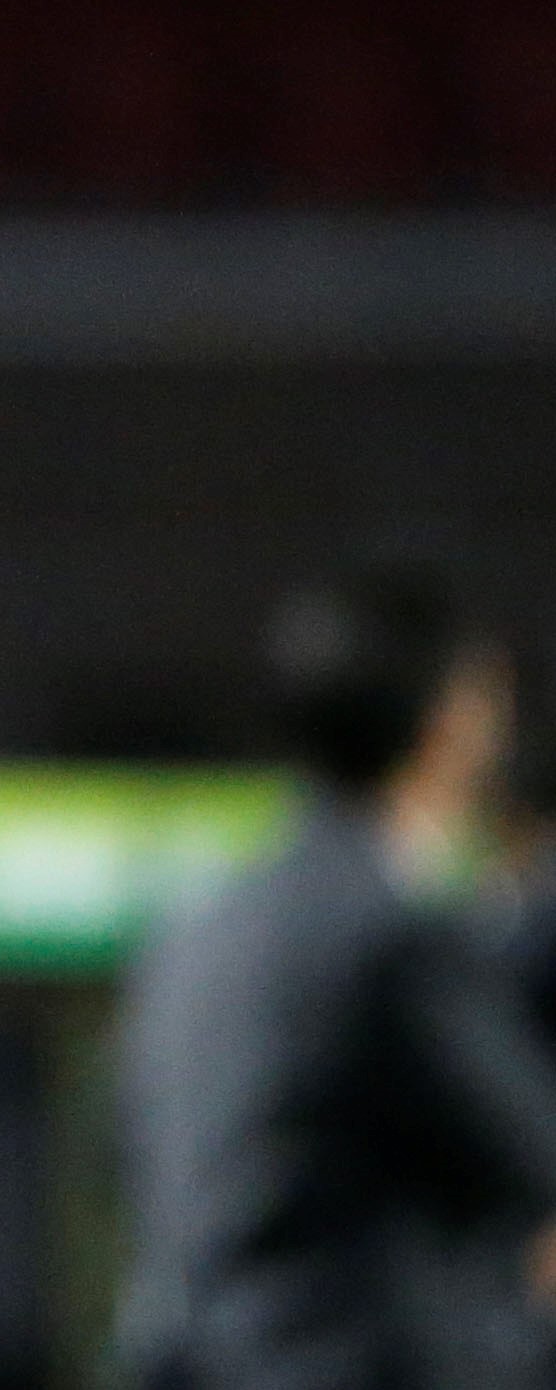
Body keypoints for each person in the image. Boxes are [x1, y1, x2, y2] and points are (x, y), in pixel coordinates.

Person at [117, 565, 556, 1389]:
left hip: (192, 1359)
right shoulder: (392, 937)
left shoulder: (201, 923)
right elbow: (535, 1148)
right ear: (452, 723)